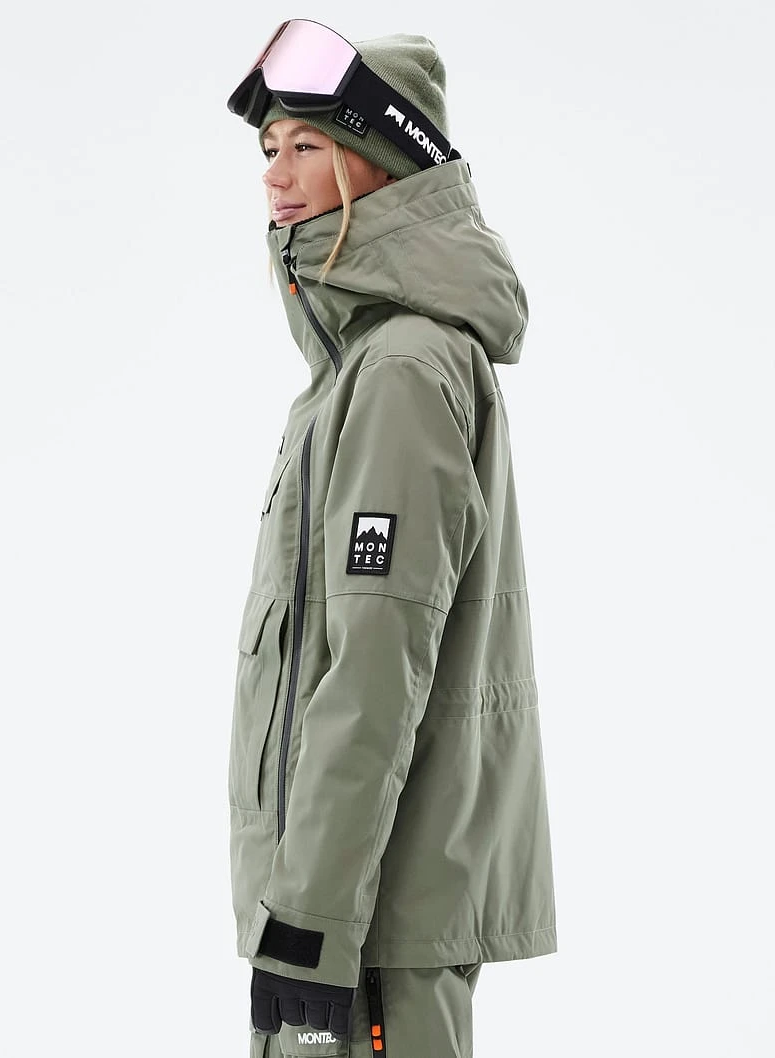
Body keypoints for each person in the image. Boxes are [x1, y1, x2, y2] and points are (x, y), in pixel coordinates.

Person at [225, 20, 557, 1058]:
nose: (276, 176)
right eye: (270, 148)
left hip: (363, 928)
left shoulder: (402, 370)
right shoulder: (357, 370)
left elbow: (375, 664)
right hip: (356, 913)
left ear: (381, 160)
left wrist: (310, 921)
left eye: (307, 146)